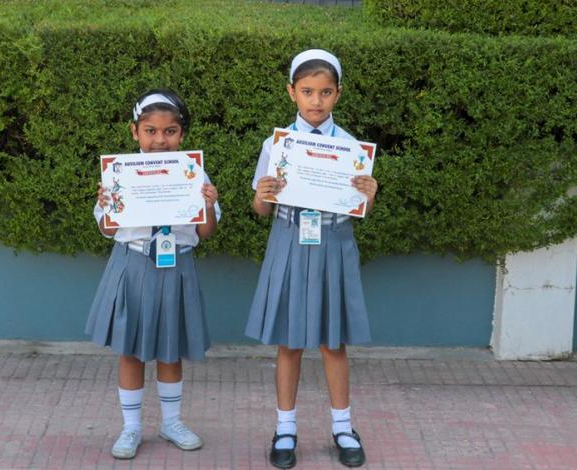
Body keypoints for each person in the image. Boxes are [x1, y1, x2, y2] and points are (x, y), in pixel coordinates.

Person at [245, 49, 378, 469]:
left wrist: (368, 195)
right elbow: (260, 209)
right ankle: (285, 429)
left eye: (324, 92)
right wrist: (263, 194)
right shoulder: (276, 144)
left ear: (338, 93)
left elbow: (358, 209)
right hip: (288, 240)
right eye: (307, 91)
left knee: (333, 342)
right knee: (289, 341)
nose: (316, 101)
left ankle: (343, 427)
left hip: (334, 243)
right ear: (292, 92)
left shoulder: (352, 148)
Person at [85, 88, 220, 460]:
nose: (160, 139)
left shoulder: (193, 172)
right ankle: (131, 427)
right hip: (132, 264)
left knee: (170, 349)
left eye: (170, 131)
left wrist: (208, 205)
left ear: (181, 134)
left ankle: (171, 422)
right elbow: (108, 229)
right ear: (135, 132)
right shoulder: (120, 173)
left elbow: (205, 232)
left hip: (177, 264)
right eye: (150, 131)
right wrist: (106, 205)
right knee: (130, 351)